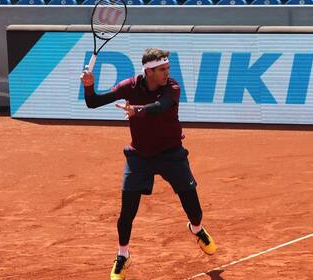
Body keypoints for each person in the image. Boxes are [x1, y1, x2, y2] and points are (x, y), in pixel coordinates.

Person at [80, 48, 216, 280]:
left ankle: (195, 229)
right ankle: (123, 255)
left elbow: (160, 107)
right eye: (162, 69)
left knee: (194, 207)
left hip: (171, 154)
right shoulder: (129, 86)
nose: (167, 73)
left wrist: (137, 110)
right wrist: (89, 86)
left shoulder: (172, 88)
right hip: (140, 155)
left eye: (167, 69)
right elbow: (93, 103)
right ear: (149, 71)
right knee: (127, 211)